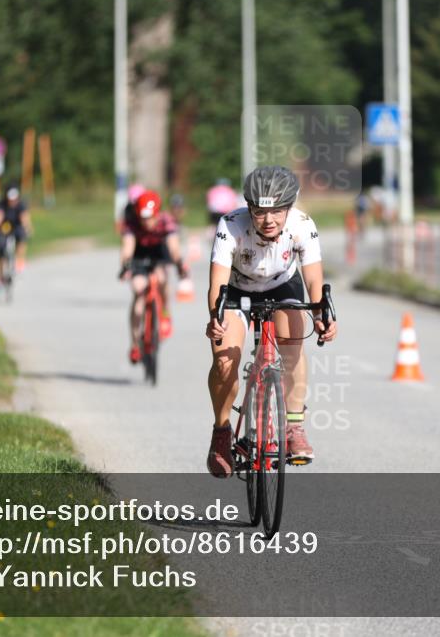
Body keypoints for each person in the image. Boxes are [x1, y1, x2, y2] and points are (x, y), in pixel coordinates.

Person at [204, 165, 338, 478]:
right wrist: (216, 317)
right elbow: (217, 285)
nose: (268, 220)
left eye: (277, 211)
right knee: (225, 361)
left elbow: (314, 279)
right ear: (248, 207)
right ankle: (222, 432)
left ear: (289, 208)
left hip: (282, 286)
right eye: (259, 212)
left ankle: (293, 428)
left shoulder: (302, 225)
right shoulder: (230, 225)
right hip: (236, 290)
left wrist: (321, 316)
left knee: (292, 345)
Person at [119, 190, 188, 363]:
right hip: (139, 256)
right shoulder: (132, 223)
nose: (147, 222)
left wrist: (179, 263)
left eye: (150, 218)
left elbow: (173, 247)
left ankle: (165, 312)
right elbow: (127, 247)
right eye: (143, 218)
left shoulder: (166, 221)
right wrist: (125, 265)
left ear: (157, 213)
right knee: (138, 289)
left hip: (159, 254)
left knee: (162, 277)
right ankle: (135, 344)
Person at [0, 184, 32, 285]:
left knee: (22, 237)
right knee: (0, 251)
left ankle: (19, 263)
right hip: (4, 228)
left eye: (14, 199)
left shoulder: (21, 205)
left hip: (17, 227)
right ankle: (0, 278)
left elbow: (24, 218)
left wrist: (27, 228)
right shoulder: (2, 204)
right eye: (10, 199)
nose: (12, 201)